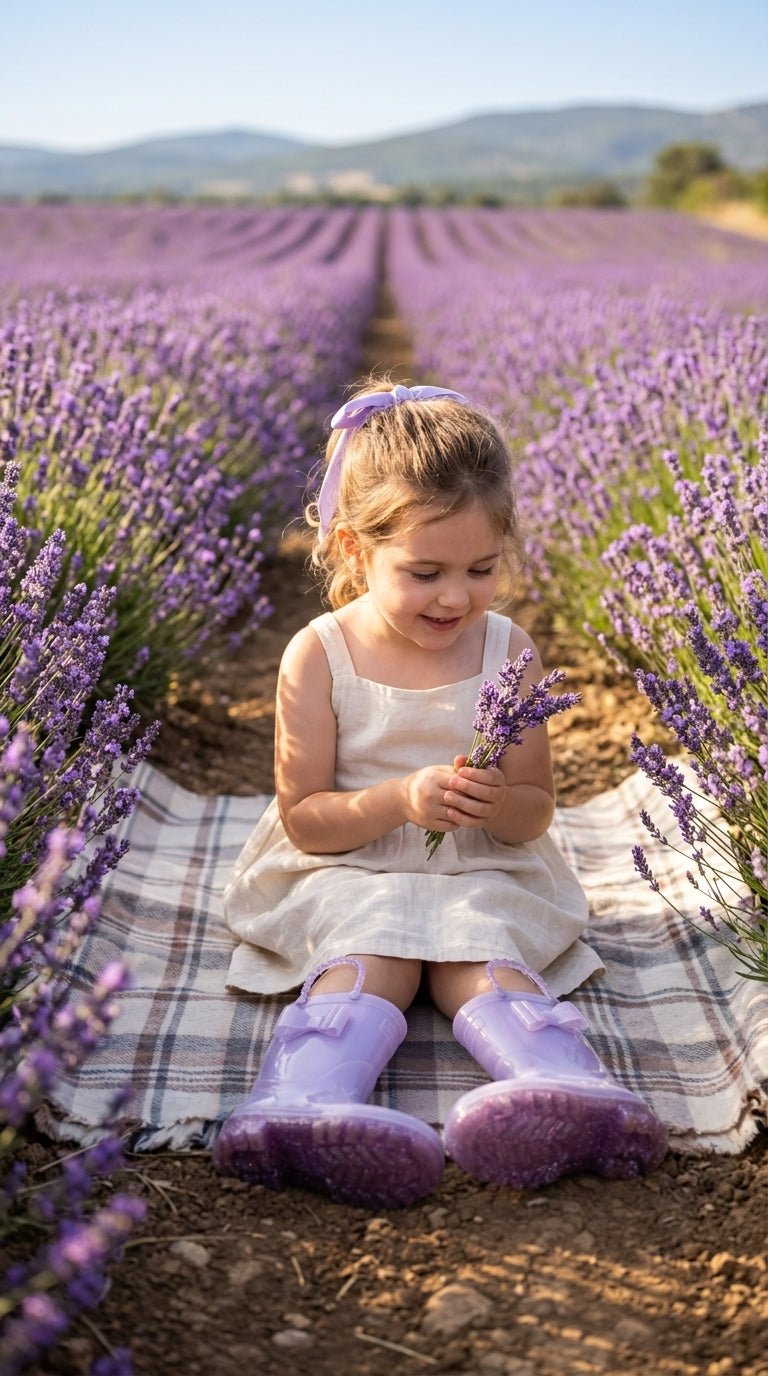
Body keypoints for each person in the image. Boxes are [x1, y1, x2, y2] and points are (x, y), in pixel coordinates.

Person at [213, 378, 668, 1208]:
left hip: (475, 863)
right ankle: (299, 1102)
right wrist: (398, 800)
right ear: (353, 549)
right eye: (425, 572)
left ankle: (565, 1090)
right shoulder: (317, 655)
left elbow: (536, 811)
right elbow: (306, 821)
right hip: (349, 859)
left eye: (481, 569)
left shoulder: (508, 649)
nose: (456, 596)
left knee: (477, 942)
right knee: (369, 942)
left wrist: (493, 804)